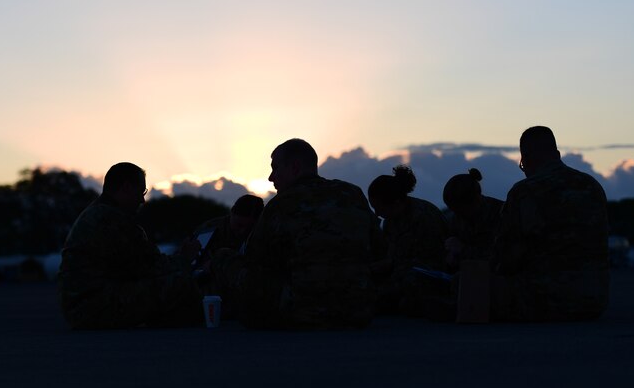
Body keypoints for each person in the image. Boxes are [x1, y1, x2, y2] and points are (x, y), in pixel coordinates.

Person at [215, 138, 380, 329]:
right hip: (357, 311)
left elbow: (255, 261)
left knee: (223, 257)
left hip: (298, 314)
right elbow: (379, 248)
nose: (270, 177)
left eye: (275, 168)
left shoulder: (280, 205)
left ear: (294, 168)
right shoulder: (352, 194)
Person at [58, 162, 201, 329]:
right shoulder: (113, 219)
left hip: (81, 307)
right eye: (141, 192)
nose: (142, 200)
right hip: (95, 308)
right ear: (126, 187)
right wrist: (184, 259)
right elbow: (148, 266)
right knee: (183, 283)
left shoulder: (95, 212)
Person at [492, 126, 610, 321]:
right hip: (594, 302)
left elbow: (505, 257)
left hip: (544, 302)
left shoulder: (525, 191)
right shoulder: (592, 185)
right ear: (556, 154)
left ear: (526, 159)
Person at [367, 165, 449, 315]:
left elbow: (431, 263)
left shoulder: (424, 217)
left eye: (380, 208)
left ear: (396, 202)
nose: (377, 213)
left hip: (428, 277)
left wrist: (390, 265)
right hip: (402, 273)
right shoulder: (392, 219)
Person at [442, 168, 504, 270]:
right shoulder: (454, 219)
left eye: (461, 210)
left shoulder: (503, 215)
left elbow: (502, 258)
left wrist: (463, 250)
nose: (457, 214)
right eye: (453, 209)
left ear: (476, 200)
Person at [191, 194, 265, 272]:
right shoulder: (208, 230)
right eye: (239, 225)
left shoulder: (262, 234)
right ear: (231, 213)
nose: (243, 231)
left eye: (250, 227)